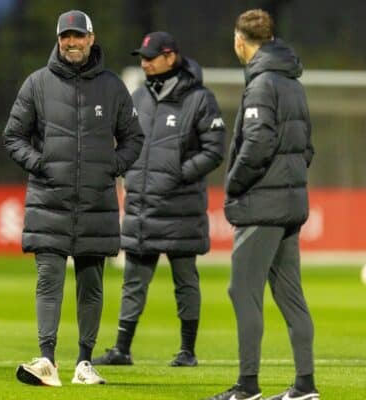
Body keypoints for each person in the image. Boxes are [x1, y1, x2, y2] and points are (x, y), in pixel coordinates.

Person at [3, 10, 144, 386]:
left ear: (91, 39)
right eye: (65, 37)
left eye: (78, 36)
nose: (72, 43)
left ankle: (84, 363)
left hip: (95, 202)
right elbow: (13, 136)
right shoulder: (36, 84)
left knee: (91, 284)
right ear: (58, 40)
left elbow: (135, 139)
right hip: (49, 200)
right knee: (49, 281)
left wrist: (111, 166)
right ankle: (47, 361)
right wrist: (41, 164)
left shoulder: (113, 87)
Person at [93, 32, 225, 367]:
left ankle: (187, 351)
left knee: (185, 281)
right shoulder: (137, 97)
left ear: (170, 56)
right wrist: (127, 170)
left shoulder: (199, 99)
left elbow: (214, 150)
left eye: (151, 56)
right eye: (143, 56)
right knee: (132, 282)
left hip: (180, 208)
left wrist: (178, 173)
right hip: (142, 205)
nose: (145, 62)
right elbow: (123, 141)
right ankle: (122, 349)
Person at [206, 9, 318, 400]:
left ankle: (247, 386)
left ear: (241, 41)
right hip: (290, 203)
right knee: (291, 295)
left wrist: (235, 182)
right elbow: (306, 147)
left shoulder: (261, 84)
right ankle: (305, 385)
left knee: (243, 291)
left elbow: (256, 143)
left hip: (263, 205)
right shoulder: (293, 83)